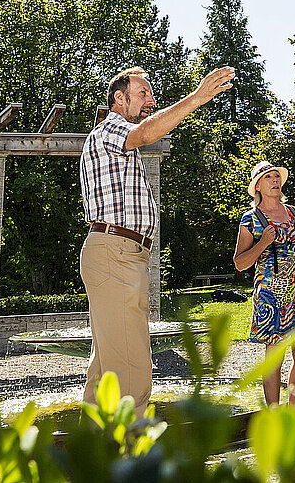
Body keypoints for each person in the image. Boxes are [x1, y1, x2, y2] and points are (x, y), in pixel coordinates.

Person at [80, 65, 235, 413]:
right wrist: (198, 97)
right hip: (114, 253)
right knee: (133, 372)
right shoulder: (109, 131)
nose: (151, 100)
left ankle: (93, 456)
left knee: (106, 368)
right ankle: (132, 458)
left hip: (120, 253)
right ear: (119, 99)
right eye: (143, 94)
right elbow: (148, 132)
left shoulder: (116, 142)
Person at [234, 161, 295, 405]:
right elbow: (240, 263)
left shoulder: (292, 213)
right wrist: (262, 243)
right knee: (275, 355)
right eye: (268, 177)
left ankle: (294, 411)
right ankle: (273, 412)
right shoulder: (250, 219)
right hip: (271, 294)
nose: (275, 180)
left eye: (277, 176)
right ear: (257, 185)